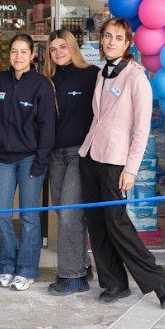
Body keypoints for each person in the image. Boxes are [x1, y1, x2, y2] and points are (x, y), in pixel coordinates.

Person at [78, 18, 165, 308]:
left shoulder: (136, 77)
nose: (111, 42)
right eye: (107, 36)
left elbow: (142, 129)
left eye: (118, 38)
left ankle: (157, 278)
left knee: (117, 224)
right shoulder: (102, 73)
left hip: (115, 161)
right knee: (97, 223)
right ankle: (114, 283)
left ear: (127, 43)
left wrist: (131, 169)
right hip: (91, 154)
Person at [0, 34, 56, 292]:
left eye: (23, 51)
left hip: (30, 158)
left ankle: (27, 270)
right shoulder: (0, 81)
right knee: (2, 215)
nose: (18, 56)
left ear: (32, 55)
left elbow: (47, 126)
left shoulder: (41, 85)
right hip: (1, 159)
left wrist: (41, 161)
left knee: (29, 217)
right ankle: (6, 267)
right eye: (14, 51)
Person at [44, 29, 99, 295]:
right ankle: (82, 263)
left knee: (69, 215)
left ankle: (73, 276)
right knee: (65, 214)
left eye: (62, 47)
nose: (58, 53)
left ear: (73, 47)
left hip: (80, 153)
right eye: (53, 49)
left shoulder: (92, 74)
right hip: (55, 155)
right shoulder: (47, 79)